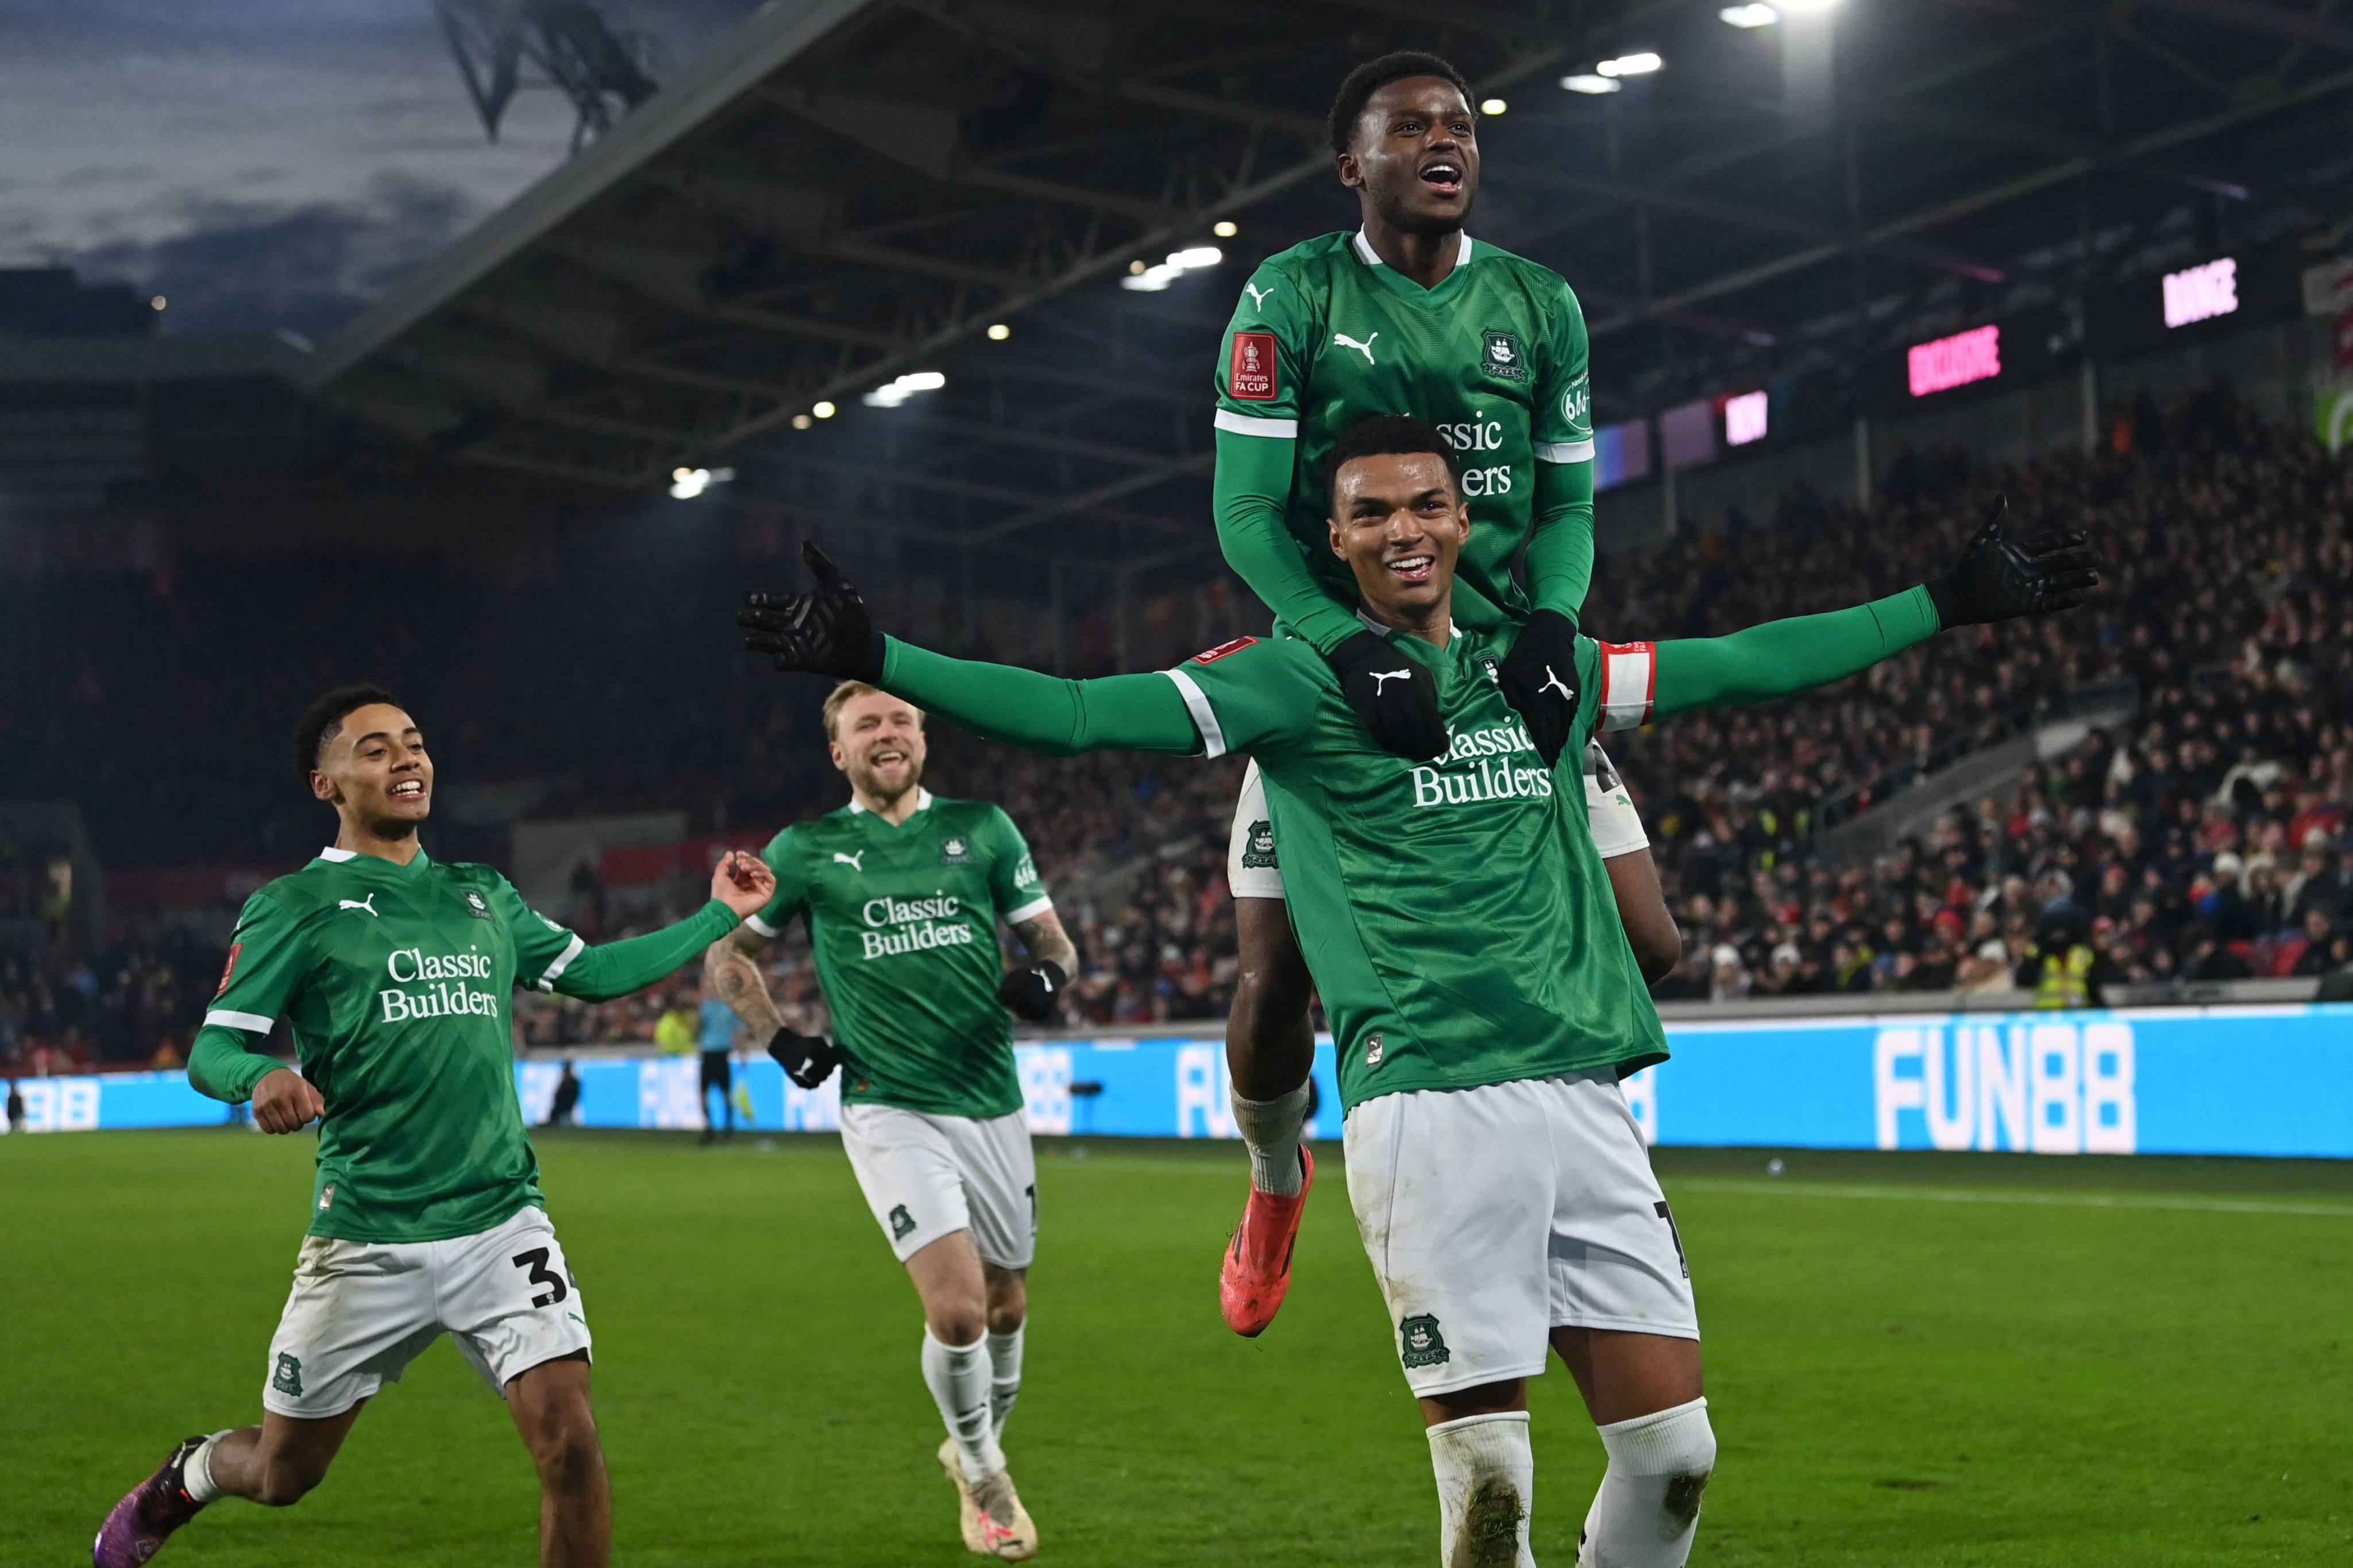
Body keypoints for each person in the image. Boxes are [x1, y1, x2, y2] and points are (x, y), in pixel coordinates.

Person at [739, 414, 2099, 1567]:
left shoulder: (1536, 671)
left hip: (1582, 1094)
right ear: (1331, 541)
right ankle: (1273, 1181)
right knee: (1491, 1489)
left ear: (1463, 522)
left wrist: (1942, 604)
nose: (1404, 529)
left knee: (1677, 1456)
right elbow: (1085, 710)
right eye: (1372, 511)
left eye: (1428, 506)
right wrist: (891, 654)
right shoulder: (1294, 687)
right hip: (1433, 1103)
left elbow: (1742, 664)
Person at [93, 686, 778, 1568]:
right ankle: (189, 1475)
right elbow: (213, 1050)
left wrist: (720, 911)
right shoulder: (294, 905)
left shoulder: (482, 894)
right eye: (375, 749)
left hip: (501, 1220)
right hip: (369, 1231)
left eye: (413, 742)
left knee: (569, 1441)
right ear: (325, 783)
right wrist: (262, 1072)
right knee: (283, 1471)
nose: (406, 758)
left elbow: (599, 973)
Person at [1208, 49, 1623, 1336]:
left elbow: (1564, 503)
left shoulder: (1539, 303)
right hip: (1345, 681)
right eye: (1410, 128)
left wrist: (1552, 620)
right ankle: (1277, 1181)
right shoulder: (1289, 295)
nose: (1444, 142)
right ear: (1355, 164)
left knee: (1647, 940)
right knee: (1276, 979)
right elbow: (1242, 514)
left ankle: (1571, 1206)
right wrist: (1341, 642)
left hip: (1513, 682)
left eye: (1459, 124)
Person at [701, 681, 1077, 1562]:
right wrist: (777, 1036)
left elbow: (1052, 941)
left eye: (902, 718)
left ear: (923, 736)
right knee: (956, 1313)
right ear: (838, 752)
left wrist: (1051, 977)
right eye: (866, 723)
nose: (888, 732)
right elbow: (729, 951)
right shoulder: (808, 848)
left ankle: (970, 1441)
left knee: (1007, 1300)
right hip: (886, 1099)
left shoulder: (984, 829)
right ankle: (985, 1475)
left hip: (990, 1096)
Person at [544, 1060, 583, 1129]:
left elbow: (572, 1095)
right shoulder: (566, 1082)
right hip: (560, 1107)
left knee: (565, 1121)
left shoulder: (572, 1082)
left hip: (565, 1107)